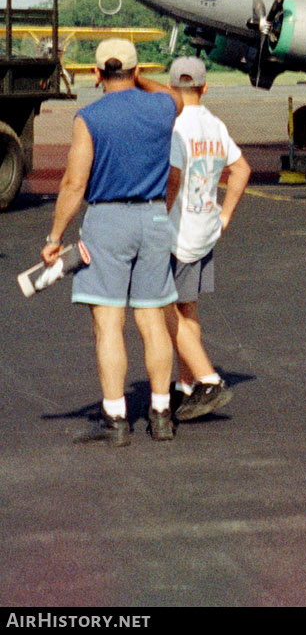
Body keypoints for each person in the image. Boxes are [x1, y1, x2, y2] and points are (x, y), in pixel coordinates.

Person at [41, 38, 180, 445]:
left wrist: (55, 236)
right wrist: (141, 79)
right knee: (153, 321)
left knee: (109, 324)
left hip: (108, 220)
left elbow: (74, 184)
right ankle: (161, 414)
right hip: (154, 217)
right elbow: (174, 96)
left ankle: (116, 418)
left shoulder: (89, 117)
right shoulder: (162, 106)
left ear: (97, 73)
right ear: (136, 71)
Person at [159, 56, 250, 421]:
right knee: (188, 308)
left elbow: (173, 180)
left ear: (170, 89)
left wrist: (153, 218)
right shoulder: (214, 124)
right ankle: (185, 386)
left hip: (175, 233)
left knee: (164, 310)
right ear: (204, 87)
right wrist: (225, 215)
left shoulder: (176, 125)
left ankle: (207, 379)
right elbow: (241, 168)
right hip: (204, 230)